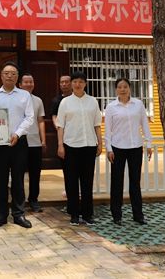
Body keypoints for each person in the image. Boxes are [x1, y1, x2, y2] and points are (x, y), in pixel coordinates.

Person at [0, 62, 34, 229]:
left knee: (18, 179)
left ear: (17, 77)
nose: (10, 76)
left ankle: (19, 214)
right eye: (6, 73)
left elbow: (29, 118)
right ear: (1, 76)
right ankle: (1, 214)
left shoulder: (25, 95)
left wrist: (17, 133)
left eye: (13, 73)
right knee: (1, 180)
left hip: (19, 142)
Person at [55, 71, 103, 226]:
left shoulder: (93, 101)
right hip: (70, 146)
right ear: (71, 84)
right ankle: (74, 214)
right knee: (71, 181)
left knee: (87, 181)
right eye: (75, 81)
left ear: (85, 84)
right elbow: (60, 126)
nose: (77, 84)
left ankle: (88, 214)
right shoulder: (65, 102)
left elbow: (97, 124)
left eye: (81, 81)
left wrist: (100, 143)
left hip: (89, 145)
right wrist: (60, 145)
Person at [104, 77, 153, 226]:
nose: (123, 89)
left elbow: (145, 125)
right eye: (119, 87)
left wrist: (149, 143)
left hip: (135, 147)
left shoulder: (138, 104)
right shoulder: (111, 107)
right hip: (117, 148)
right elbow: (108, 130)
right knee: (117, 182)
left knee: (135, 182)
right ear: (116, 90)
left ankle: (138, 215)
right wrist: (109, 149)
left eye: (125, 86)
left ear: (130, 88)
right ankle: (116, 215)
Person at [19, 72, 46, 213]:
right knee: (19, 173)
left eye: (31, 82)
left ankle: (33, 200)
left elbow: (40, 121)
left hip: (35, 142)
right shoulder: (16, 99)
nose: (29, 84)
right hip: (19, 141)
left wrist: (43, 139)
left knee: (35, 173)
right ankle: (19, 201)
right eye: (26, 82)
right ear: (20, 84)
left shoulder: (38, 100)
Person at [50, 74, 72, 212]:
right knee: (66, 166)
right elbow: (54, 116)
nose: (64, 84)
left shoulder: (77, 98)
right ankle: (68, 190)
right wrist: (58, 126)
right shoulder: (56, 100)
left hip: (77, 138)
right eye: (61, 82)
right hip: (62, 137)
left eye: (66, 82)